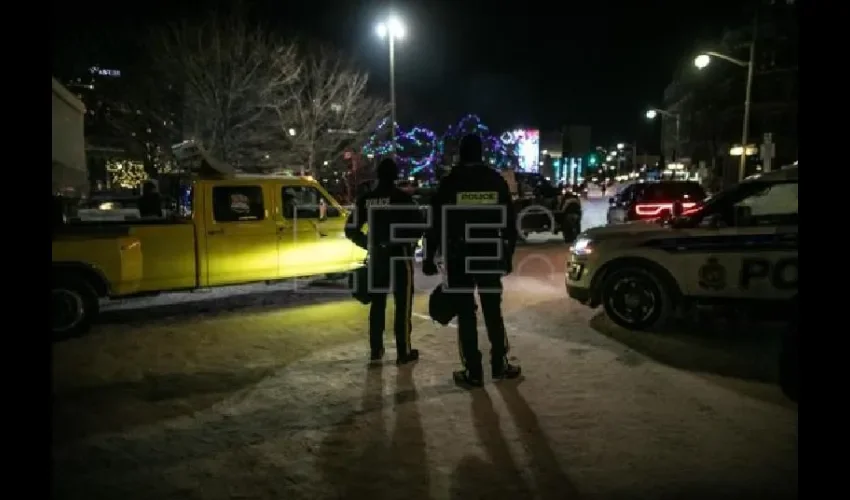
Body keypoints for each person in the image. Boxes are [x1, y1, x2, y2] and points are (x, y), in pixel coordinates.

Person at [422, 134, 521, 387]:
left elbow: (434, 223)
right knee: (492, 311)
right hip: (488, 254)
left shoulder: (450, 183)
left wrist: (429, 255)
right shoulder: (495, 181)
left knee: (466, 313)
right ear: (481, 154)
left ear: (461, 154)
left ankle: (473, 372)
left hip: (458, 256)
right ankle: (499, 364)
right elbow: (510, 223)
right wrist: (507, 256)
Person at [345, 158, 424, 365]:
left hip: (378, 259)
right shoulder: (403, 199)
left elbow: (350, 229)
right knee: (402, 305)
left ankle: (376, 350)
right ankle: (403, 352)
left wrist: (369, 244)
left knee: (377, 304)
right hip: (400, 257)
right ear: (396, 176)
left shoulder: (367, 199)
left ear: (377, 175)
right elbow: (419, 226)